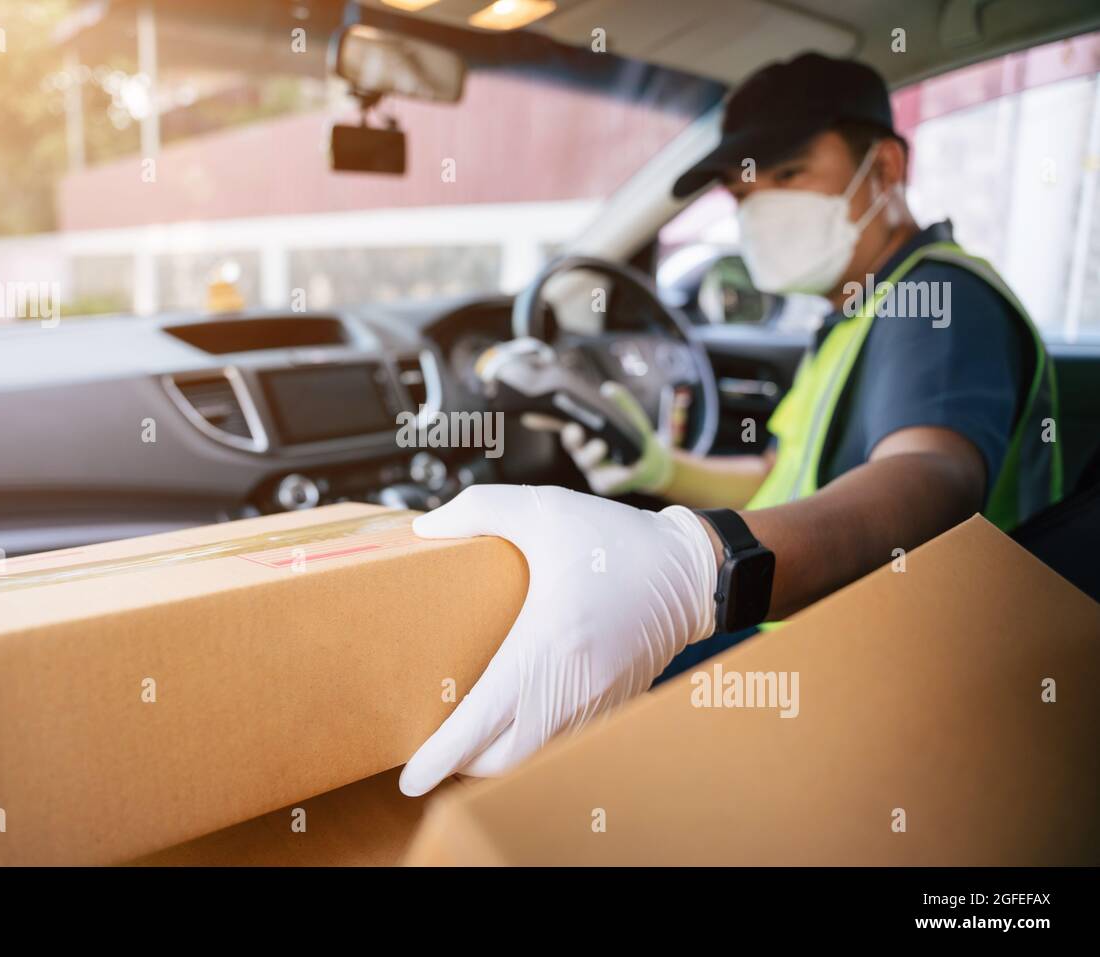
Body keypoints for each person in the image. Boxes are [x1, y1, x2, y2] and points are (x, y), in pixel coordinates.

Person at [398, 53, 1061, 798]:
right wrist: (660, 470)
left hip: (898, 677)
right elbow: (780, 474)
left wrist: (702, 566)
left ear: (883, 168)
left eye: (785, 175)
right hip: (820, 634)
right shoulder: (854, 313)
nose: (758, 207)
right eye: (740, 191)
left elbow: (932, 478)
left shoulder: (938, 301)